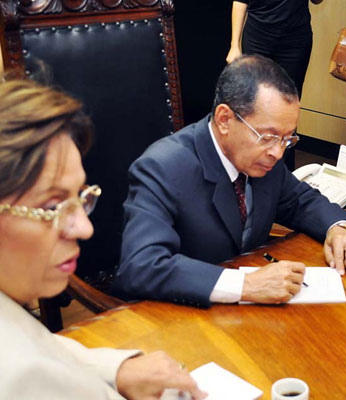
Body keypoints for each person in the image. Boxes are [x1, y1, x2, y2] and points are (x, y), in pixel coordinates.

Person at [0, 79, 206, 399]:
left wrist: (117, 370)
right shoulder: (20, 377)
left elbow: (40, 344)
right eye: (52, 207)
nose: (85, 229)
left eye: (79, 197)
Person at [114, 55, 346, 308]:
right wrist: (245, 285)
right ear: (225, 119)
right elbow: (141, 266)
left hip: (247, 312)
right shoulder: (162, 167)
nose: (278, 152)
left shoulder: (264, 158)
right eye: (268, 137)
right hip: (178, 313)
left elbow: (300, 200)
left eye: (288, 139)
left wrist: (338, 227)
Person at [226, 0, 324, 171]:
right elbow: (240, 1)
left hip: (295, 41)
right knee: (255, 105)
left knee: (288, 106)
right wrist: (234, 45)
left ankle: (283, 172)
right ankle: (251, 168)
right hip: (258, 36)